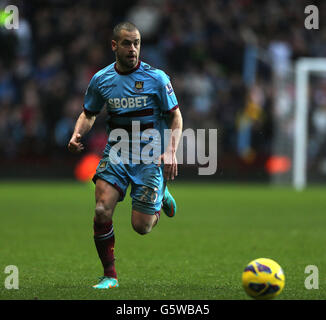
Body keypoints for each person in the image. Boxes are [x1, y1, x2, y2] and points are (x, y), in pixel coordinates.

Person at [68, 22, 183, 289]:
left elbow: (175, 116)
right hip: (117, 153)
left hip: (150, 157)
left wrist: (171, 151)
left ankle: (161, 194)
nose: (133, 49)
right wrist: (77, 134)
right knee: (100, 210)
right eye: (127, 43)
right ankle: (110, 276)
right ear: (114, 46)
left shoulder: (157, 78)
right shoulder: (101, 79)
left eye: (137, 43)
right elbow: (89, 113)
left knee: (141, 227)